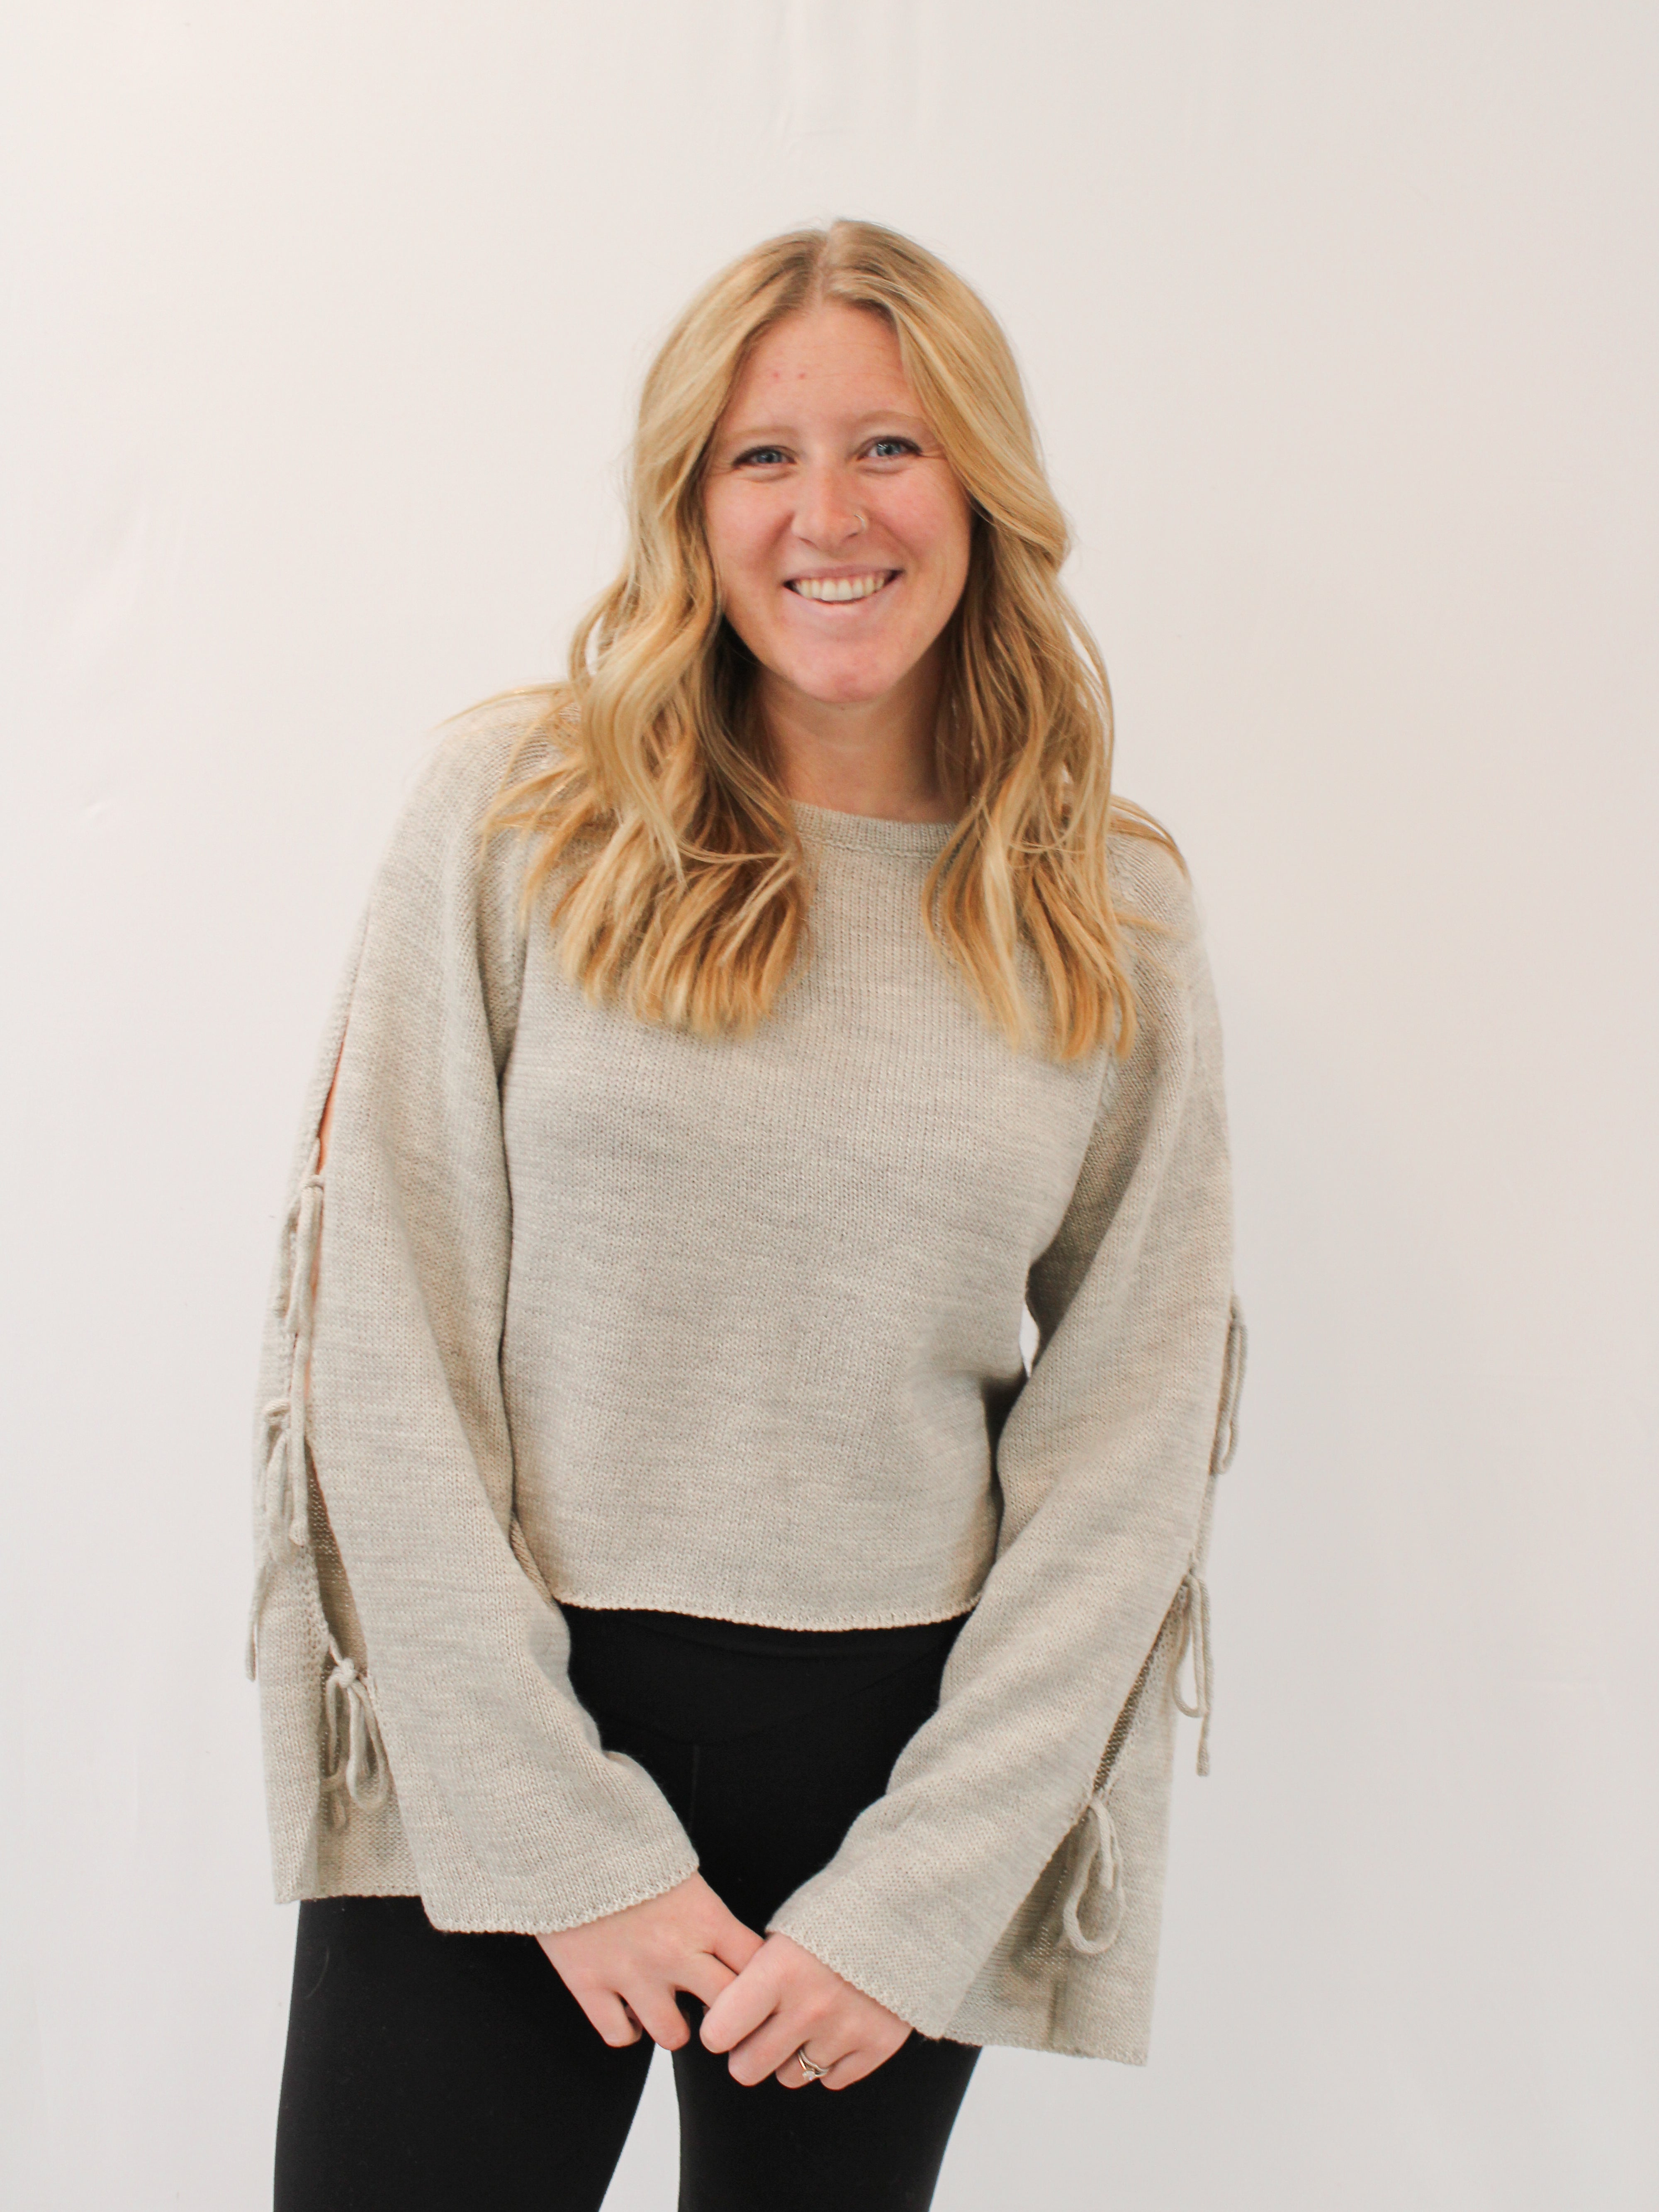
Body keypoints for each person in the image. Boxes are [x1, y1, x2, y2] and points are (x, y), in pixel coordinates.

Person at [248, 219, 1245, 2212]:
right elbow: (380, 1336)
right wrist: (554, 1837)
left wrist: (923, 1894)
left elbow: (1129, 1440)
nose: (828, 514)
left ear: (980, 483)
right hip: (501, 1736)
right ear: (688, 504)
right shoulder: (514, 813)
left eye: (890, 447)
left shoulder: (1106, 904)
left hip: (891, 1780)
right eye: (760, 456)